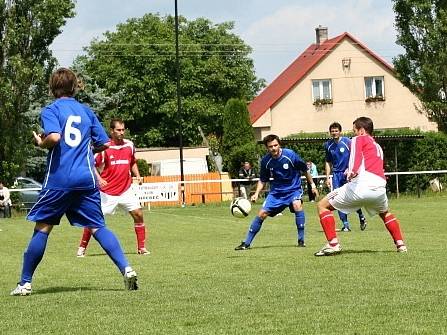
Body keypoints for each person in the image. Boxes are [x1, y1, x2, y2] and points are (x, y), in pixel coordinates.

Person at [10, 68, 138, 296]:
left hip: (60, 179)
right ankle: (126, 269)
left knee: (43, 227)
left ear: (52, 87)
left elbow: (55, 137)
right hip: (86, 179)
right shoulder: (86, 111)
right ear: (75, 87)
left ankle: (25, 283)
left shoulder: (51, 110)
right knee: (98, 226)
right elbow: (103, 143)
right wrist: (85, 148)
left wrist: (40, 143)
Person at [314, 117, 407, 256]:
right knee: (385, 213)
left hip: (361, 186)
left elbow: (355, 158)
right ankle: (401, 245)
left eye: (354, 131)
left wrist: (351, 172)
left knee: (322, 205)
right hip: (379, 189)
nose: (353, 134)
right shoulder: (377, 146)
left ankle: (333, 244)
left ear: (362, 130)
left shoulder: (359, 139)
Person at [76, 118, 149, 257]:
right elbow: (91, 164)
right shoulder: (105, 147)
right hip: (107, 192)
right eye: (118, 130)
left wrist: (138, 175)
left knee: (138, 214)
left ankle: (142, 248)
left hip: (126, 190)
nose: (122, 133)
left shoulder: (129, 145)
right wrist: (99, 178)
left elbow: (132, 161)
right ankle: (82, 247)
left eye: (123, 130)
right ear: (111, 131)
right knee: (93, 220)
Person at [235, 134, 318, 250]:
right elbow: (263, 179)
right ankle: (246, 243)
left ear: (279, 145)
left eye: (275, 145)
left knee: (297, 205)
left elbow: (304, 169)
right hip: (277, 193)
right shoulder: (266, 161)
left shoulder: (290, 155)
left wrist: (313, 185)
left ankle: (301, 240)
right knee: (261, 214)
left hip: (293, 189)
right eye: (270, 146)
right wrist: (256, 193)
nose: (273, 148)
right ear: (266, 148)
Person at [324, 122, 367, 231]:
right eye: (332, 131)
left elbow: (355, 156)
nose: (334, 133)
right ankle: (345, 225)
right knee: (337, 199)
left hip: (348, 174)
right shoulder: (328, 145)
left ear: (340, 131)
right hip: (336, 175)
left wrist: (350, 169)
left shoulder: (348, 142)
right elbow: (328, 162)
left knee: (352, 197)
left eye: (336, 131)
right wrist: (328, 177)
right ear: (330, 133)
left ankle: (361, 216)